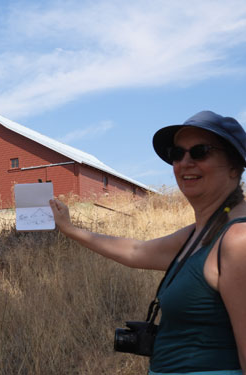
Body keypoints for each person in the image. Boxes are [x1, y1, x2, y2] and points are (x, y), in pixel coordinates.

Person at [49, 110, 246, 375]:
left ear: (235, 166)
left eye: (200, 152)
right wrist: (71, 230)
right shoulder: (200, 233)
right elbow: (135, 251)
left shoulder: (238, 240)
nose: (185, 162)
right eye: (177, 154)